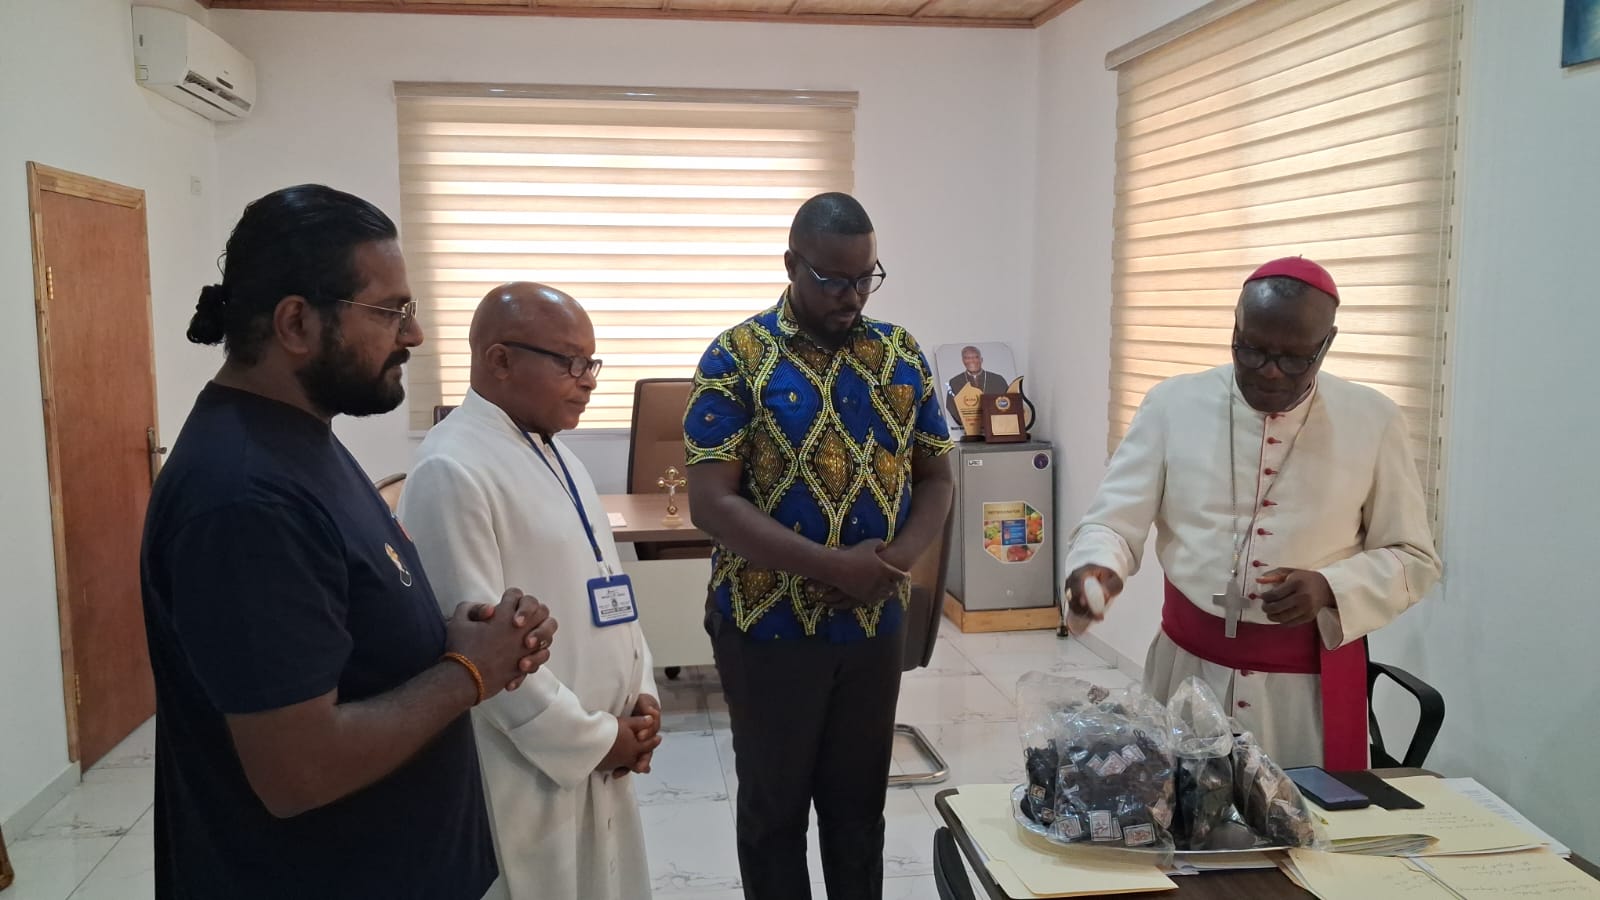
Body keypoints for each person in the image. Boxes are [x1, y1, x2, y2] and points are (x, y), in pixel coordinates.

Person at [140, 184, 558, 900]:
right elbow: (298, 771)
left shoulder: (297, 439)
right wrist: (468, 671)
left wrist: (453, 637)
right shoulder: (244, 499)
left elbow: (342, 623)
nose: (414, 335)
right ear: (297, 323)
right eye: (391, 311)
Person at [1061, 256, 1442, 770]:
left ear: (1326, 344)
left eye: (1294, 358)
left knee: (1302, 814)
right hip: (1186, 672)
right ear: (1235, 329)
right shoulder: (1172, 405)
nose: (1270, 370)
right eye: (1252, 349)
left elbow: (1414, 557)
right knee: (1178, 807)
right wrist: (1096, 565)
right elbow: (1113, 519)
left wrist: (1331, 587)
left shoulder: (1374, 420)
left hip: (1305, 695)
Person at [684, 192, 955, 900]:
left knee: (858, 811)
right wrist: (835, 566)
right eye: (833, 279)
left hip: (872, 625)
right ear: (791, 265)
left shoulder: (899, 354)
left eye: (866, 278)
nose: (852, 296)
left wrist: (890, 564)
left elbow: (937, 478)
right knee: (774, 815)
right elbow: (712, 503)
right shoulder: (737, 356)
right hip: (766, 628)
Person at [400, 283, 663, 900]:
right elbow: (480, 661)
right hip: (529, 766)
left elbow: (607, 583)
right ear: (500, 360)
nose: (588, 380)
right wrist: (596, 741)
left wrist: (643, 690)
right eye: (570, 363)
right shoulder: (452, 469)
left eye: (591, 363)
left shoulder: (555, 451)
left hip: (603, 748)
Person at [944, 344, 1009, 423]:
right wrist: (966, 422)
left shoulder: (998, 380)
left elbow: (1007, 403)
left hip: (996, 424)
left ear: (981, 359)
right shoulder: (954, 382)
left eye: (975, 357)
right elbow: (951, 407)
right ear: (963, 361)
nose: (971, 361)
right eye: (967, 358)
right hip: (967, 426)